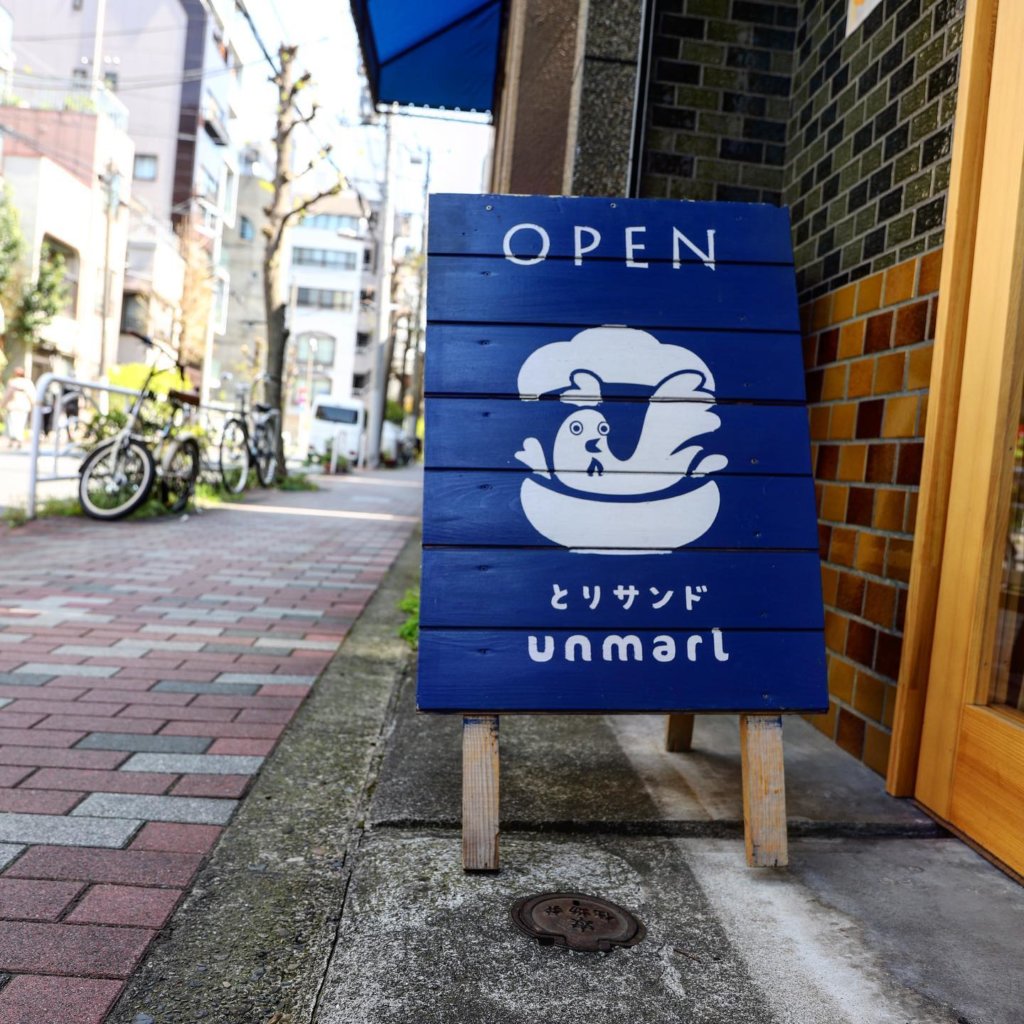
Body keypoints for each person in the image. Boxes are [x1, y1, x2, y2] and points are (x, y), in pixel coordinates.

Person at [2, 367, 35, 448]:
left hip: (14, 406)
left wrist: (2, 404)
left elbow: (7, 395)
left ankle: (14, 439)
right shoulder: (27, 382)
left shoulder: (13, 382)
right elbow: (32, 395)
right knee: (20, 424)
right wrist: (34, 404)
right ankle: (18, 439)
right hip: (24, 407)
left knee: (13, 424)